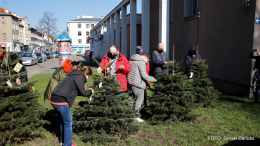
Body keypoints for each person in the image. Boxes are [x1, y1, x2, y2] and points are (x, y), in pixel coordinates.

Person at [51, 66, 94, 146]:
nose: (87, 78)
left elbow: (75, 90)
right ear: (86, 74)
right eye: (88, 76)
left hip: (54, 98)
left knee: (63, 121)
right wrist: (90, 92)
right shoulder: (80, 76)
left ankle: (62, 140)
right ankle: (67, 144)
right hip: (61, 100)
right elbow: (83, 92)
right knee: (68, 122)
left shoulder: (73, 74)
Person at [127, 53, 157, 122]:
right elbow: (144, 75)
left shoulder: (131, 60)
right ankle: (136, 116)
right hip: (138, 83)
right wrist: (154, 79)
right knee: (139, 99)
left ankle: (128, 114)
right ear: (146, 58)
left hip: (130, 82)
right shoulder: (141, 62)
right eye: (148, 60)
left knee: (130, 99)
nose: (147, 62)